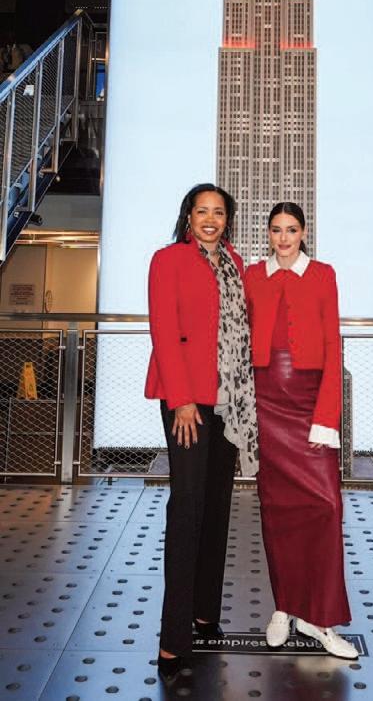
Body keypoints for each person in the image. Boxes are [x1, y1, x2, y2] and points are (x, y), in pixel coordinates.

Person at [144, 184, 259, 682]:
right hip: (187, 400)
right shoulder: (167, 259)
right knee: (187, 507)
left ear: (227, 219)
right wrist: (181, 399)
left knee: (217, 508)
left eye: (219, 212)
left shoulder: (234, 261)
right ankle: (174, 638)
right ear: (188, 216)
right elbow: (163, 330)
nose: (210, 219)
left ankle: (204, 615)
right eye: (202, 211)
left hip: (228, 402)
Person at [243, 202, 357, 659]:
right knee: (277, 511)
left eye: (291, 229)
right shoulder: (253, 275)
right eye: (276, 230)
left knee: (327, 507)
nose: (284, 237)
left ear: (304, 231)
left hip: (310, 402)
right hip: (265, 401)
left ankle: (320, 619)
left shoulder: (323, 274)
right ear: (268, 234)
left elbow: (333, 342)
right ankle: (284, 608)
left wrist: (327, 418)